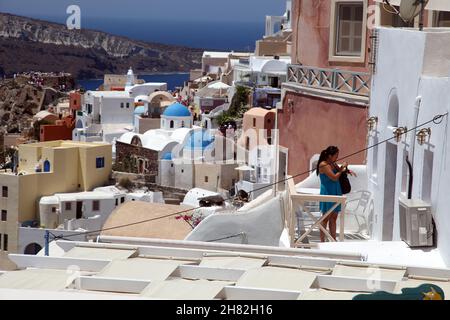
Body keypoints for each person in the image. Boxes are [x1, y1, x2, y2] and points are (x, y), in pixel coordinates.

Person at [316, 146, 355, 242]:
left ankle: (333, 240)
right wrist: (342, 168)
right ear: (330, 155)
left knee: (333, 217)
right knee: (325, 218)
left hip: (336, 191)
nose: (337, 157)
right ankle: (322, 241)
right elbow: (334, 177)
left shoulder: (332, 163)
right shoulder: (323, 165)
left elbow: (339, 170)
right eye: (336, 155)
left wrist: (347, 170)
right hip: (328, 192)